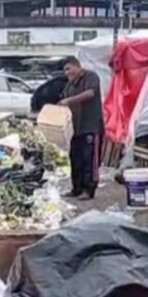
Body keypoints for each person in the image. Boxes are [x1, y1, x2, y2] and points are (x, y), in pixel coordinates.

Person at [59, 57, 103, 199]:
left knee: (89, 159)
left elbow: (90, 93)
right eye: (65, 70)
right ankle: (76, 188)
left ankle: (89, 190)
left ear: (77, 66)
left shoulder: (90, 77)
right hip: (75, 129)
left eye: (68, 68)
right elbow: (62, 100)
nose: (67, 73)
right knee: (75, 159)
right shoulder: (70, 85)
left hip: (90, 126)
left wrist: (69, 101)